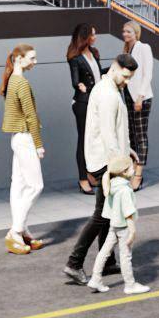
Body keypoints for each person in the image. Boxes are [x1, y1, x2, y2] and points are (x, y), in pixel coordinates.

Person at [63, 56, 135, 285]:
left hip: (105, 158)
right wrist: (121, 164)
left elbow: (114, 128)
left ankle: (108, 261)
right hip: (107, 161)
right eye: (125, 75)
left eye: (129, 78)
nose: (126, 81)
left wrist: (127, 149)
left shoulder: (109, 87)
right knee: (101, 215)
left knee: (107, 213)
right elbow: (107, 133)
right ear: (114, 68)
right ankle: (74, 263)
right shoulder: (108, 94)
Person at [1, 44, 46, 255]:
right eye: (32, 58)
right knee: (36, 186)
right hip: (26, 138)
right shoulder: (21, 83)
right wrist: (38, 144)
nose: (35, 62)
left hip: (17, 138)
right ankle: (16, 230)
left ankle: (22, 231)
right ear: (19, 58)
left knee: (18, 185)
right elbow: (30, 116)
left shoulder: (12, 80)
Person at [81, 156, 145, 293]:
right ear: (124, 171)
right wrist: (132, 230)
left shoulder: (112, 184)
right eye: (131, 167)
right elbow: (128, 212)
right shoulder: (125, 190)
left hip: (113, 225)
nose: (134, 169)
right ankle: (130, 285)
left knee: (104, 251)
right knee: (126, 254)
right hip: (124, 227)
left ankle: (96, 279)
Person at [64, 23, 101, 193]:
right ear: (85, 37)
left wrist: (116, 68)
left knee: (94, 141)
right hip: (83, 103)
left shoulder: (94, 53)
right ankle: (83, 178)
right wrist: (79, 85)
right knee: (83, 140)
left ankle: (91, 173)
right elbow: (75, 81)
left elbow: (98, 76)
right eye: (92, 35)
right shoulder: (75, 58)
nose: (95, 37)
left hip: (96, 102)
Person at [121, 20, 156, 186]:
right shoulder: (127, 49)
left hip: (141, 97)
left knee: (140, 136)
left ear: (136, 32)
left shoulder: (143, 48)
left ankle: (138, 175)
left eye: (129, 31)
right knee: (131, 135)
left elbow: (147, 74)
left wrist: (140, 97)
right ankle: (133, 167)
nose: (125, 34)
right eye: (124, 31)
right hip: (128, 96)